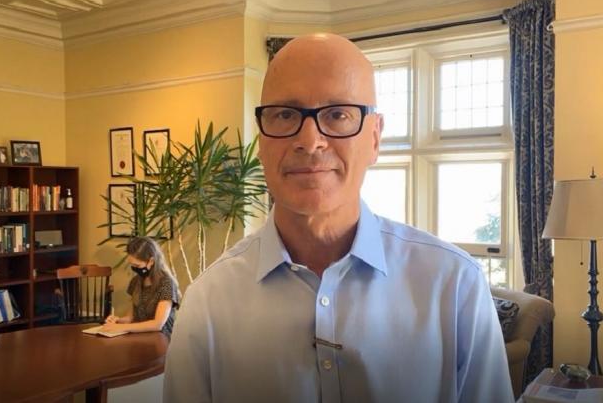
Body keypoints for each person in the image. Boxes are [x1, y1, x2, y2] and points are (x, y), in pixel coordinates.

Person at [163, 34, 513, 402]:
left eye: (337, 114)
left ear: (375, 138)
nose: (310, 140)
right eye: (285, 114)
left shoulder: (454, 288)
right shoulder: (208, 304)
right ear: (261, 141)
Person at [101, 237, 181, 337]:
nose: (134, 269)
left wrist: (121, 328)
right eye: (132, 265)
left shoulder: (166, 283)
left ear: (151, 261)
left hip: (161, 338)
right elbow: (131, 318)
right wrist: (118, 321)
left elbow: (158, 324)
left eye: (137, 266)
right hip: (140, 335)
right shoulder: (136, 281)